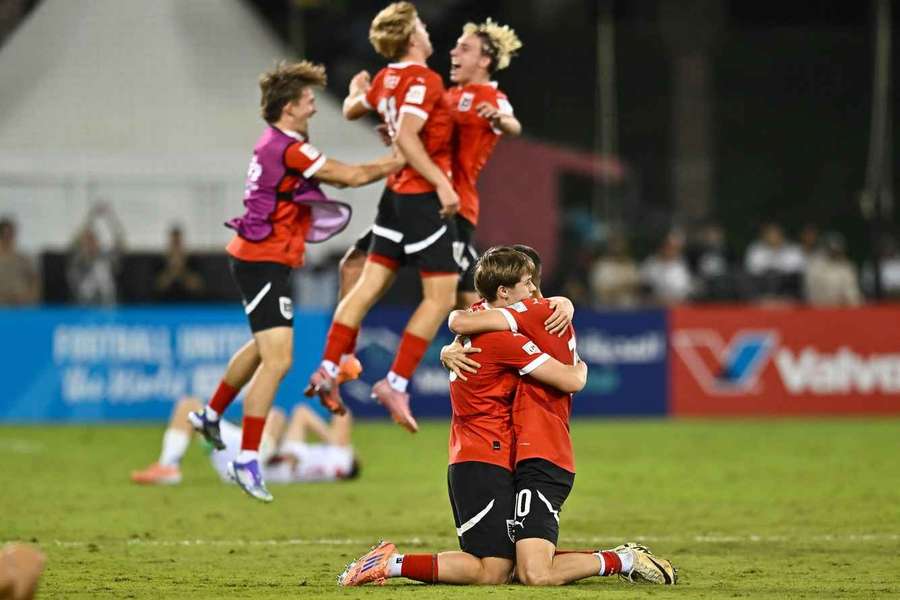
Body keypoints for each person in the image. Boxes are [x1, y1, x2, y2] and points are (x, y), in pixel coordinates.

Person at [339, 247, 675, 586]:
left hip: (498, 455)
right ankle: (390, 563)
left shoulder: (486, 320)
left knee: (507, 567)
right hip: (490, 457)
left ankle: (623, 558)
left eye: (532, 283)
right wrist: (582, 366)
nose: (530, 290)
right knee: (498, 568)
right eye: (525, 283)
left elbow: (458, 319)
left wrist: (446, 348)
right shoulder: (507, 335)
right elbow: (571, 378)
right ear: (504, 292)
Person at [186, 60, 403, 502]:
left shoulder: (278, 142)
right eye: (307, 100)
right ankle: (247, 459)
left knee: (264, 348)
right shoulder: (289, 147)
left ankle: (210, 414)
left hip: (262, 258)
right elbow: (349, 177)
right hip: (262, 260)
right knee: (279, 361)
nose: (313, 107)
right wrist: (401, 160)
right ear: (288, 107)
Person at [306, 2, 459, 435]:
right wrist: (442, 184)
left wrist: (357, 90)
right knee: (440, 298)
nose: (429, 32)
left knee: (367, 288)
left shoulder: (387, 78)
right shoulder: (422, 79)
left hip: (392, 199)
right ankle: (395, 382)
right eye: (422, 27)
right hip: (420, 197)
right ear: (413, 38)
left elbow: (355, 108)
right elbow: (409, 137)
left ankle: (328, 368)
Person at [133, 398, 358, 485]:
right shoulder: (330, 461)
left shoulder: (341, 453)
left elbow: (311, 412)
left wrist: (334, 439)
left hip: (258, 463)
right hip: (260, 466)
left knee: (277, 415)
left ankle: (169, 465)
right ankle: (170, 466)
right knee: (190, 410)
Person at [66, 201, 126, 305]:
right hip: (84, 308)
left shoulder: (106, 257)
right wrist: (91, 216)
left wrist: (110, 217)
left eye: (93, 240)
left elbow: (120, 241)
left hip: (108, 309)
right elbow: (74, 243)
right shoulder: (77, 260)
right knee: (99, 268)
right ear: (82, 243)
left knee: (102, 266)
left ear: (98, 242)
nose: (91, 244)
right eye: (87, 241)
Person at [804, 232, 862, 306]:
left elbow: (853, 293)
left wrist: (847, 300)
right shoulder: (814, 265)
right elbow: (810, 291)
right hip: (820, 309)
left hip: (843, 310)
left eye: (837, 249)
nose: (834, 252)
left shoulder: (847, 267)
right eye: (831, 248)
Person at [154, 225, 205, 301]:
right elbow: (157, 287)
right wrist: (172, 271)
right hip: (164, 304)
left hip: (190, 303)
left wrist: (182, 270)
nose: (176, 246)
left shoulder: (192, 260)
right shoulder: (159, 260)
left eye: (178, 243)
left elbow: (197, 286)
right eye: (174, 243)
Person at [0, 217, 40, 305]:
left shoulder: (23, 258)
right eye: (4, 234)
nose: (8, 238)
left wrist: (31, 296)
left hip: (21, 302)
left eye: (10, 234)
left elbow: (34, 279)